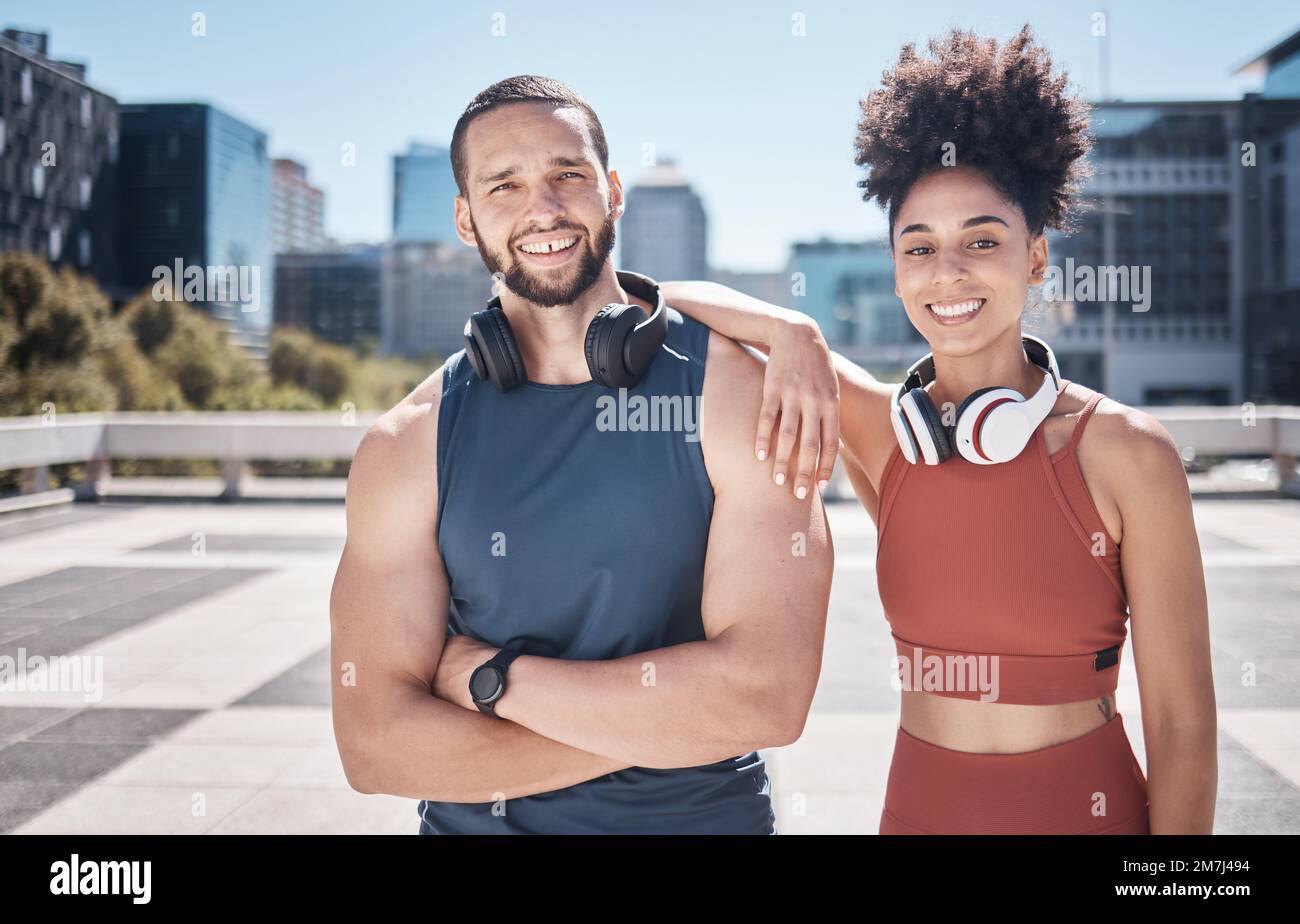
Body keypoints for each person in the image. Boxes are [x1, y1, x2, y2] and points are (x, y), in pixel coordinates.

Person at [662, 25, 1217, 834]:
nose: (946, 273)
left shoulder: (1128, 453)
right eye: (917, 247)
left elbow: (1183, 727)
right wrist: (795, 331)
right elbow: (651, 296)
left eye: (981, 241)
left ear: (1036, 257)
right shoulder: (889, 434)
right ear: (894, 267)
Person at [329, 75, 833, 834]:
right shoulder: (407, 445)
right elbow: (375, 746)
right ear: (466, 219)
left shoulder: (737, 397)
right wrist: (659, 726)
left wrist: (494, 683)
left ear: (614, 191)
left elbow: (766, 698)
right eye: (505, 186)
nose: (544, 209)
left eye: (569, 175)